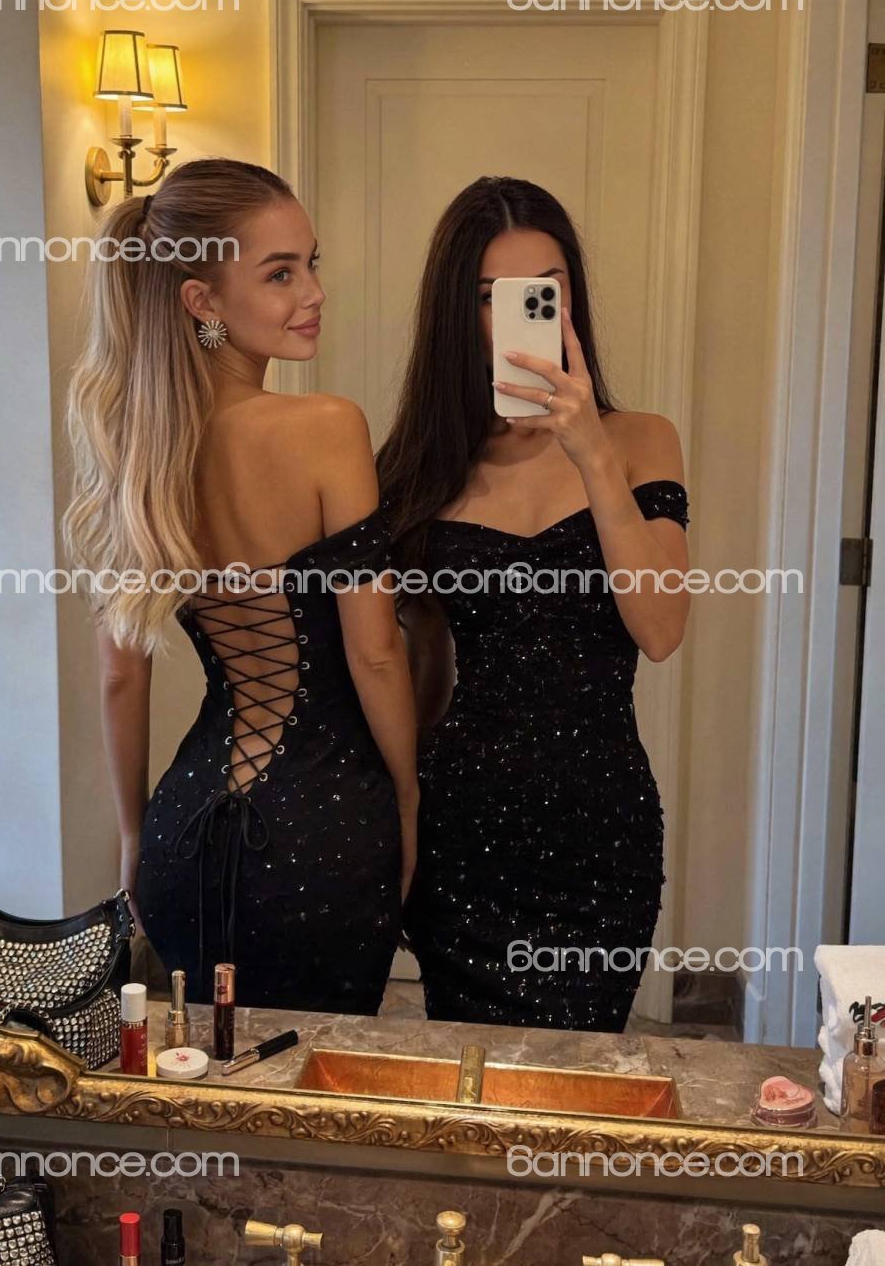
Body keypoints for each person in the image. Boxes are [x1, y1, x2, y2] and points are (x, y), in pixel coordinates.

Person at [63, 159, 418, 1012]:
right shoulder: (327, 427)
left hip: (184, 828)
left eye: (310, 263)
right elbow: (374, 652)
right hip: (326, 826)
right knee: (320, 1076)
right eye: (279, 273)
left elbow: (120, 675)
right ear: (203, 301)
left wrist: (133, 838)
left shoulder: (138, 456)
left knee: (211, 1066)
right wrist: (409, 799)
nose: (314, 292)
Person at [378, 176, 690, 1031]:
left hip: (600, 835)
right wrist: (397, 822)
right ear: (459, 313)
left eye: (542, 290)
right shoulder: (417, 471)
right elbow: (407, 675)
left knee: (582, 1089)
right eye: (491, 296)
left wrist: (590, 452)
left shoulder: (639, 441)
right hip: (462, 836)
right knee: (469, 1085)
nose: (519, 314)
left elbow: (662, 627)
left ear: (569, 299)